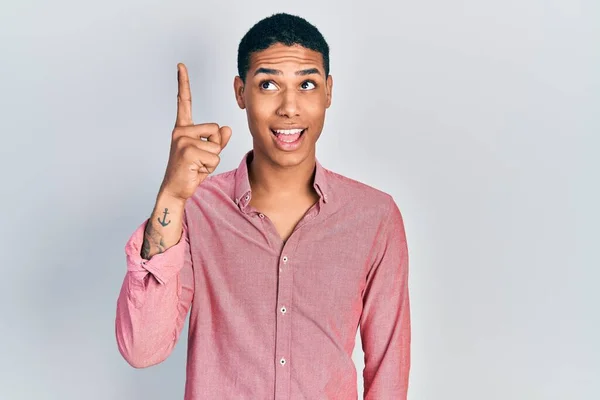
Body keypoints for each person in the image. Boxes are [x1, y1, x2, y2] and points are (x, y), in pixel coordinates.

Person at [115, 12, 410, 400]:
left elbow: (388, 373)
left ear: (328, 93)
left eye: (307, 84)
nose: (289, 107)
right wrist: (170, 196)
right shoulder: (196, 211)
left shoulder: (375, 217)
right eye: (268, 84)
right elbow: (143, 349)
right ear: (241, 93)